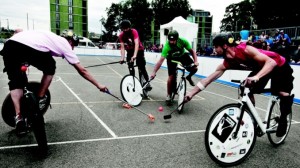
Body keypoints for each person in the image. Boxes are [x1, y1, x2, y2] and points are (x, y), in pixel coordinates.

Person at [184, 33, 294, 137]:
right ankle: (253, 120)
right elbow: (207, 80)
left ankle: (284, 119)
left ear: (225, 46)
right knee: (245, 87)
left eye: (215, 46)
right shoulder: (227, 62)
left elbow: (271, 62)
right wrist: (191, 94)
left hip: (279, 65)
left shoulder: (245, 49)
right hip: (261, 67)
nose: (214, 49)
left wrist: (256, 77)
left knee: (282, 92)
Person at [0, 30, 108, 135]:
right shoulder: (65, 44)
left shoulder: (50, 37)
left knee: (16, 82)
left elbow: (19, 31)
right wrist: (99, 85)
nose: (72, 48)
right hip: (29, 47)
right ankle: (40, 97)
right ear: (70, 41)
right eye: (73, 45)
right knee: (50, 66)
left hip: (9, 46)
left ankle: (18, 117)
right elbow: (82, 70)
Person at [150, 30, 199, 104]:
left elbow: (192, 52)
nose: (171, 42)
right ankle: (169, 95)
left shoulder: (183, 41)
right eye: (170, 40)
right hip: (171, 58)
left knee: (195, 68)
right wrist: (154, 72)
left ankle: (188, 77)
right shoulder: (167, 46)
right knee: (171, 77)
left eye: (173, 40)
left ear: (177, 39)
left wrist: (195, 61)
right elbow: (160, 61)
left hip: (182, 55)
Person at [118, 19, 152, 91]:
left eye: (127, 28)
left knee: (142, 66)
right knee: (130, 66)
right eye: (124, 28)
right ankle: (133, 82)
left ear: (129, 27)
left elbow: (136, 43)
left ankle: (147, 82)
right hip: (130, 50)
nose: (126, 30)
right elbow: (122, 47)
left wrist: (135, 55)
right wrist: (122, 58)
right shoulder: (121, 35)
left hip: (139, 50)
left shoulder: (134, 31)